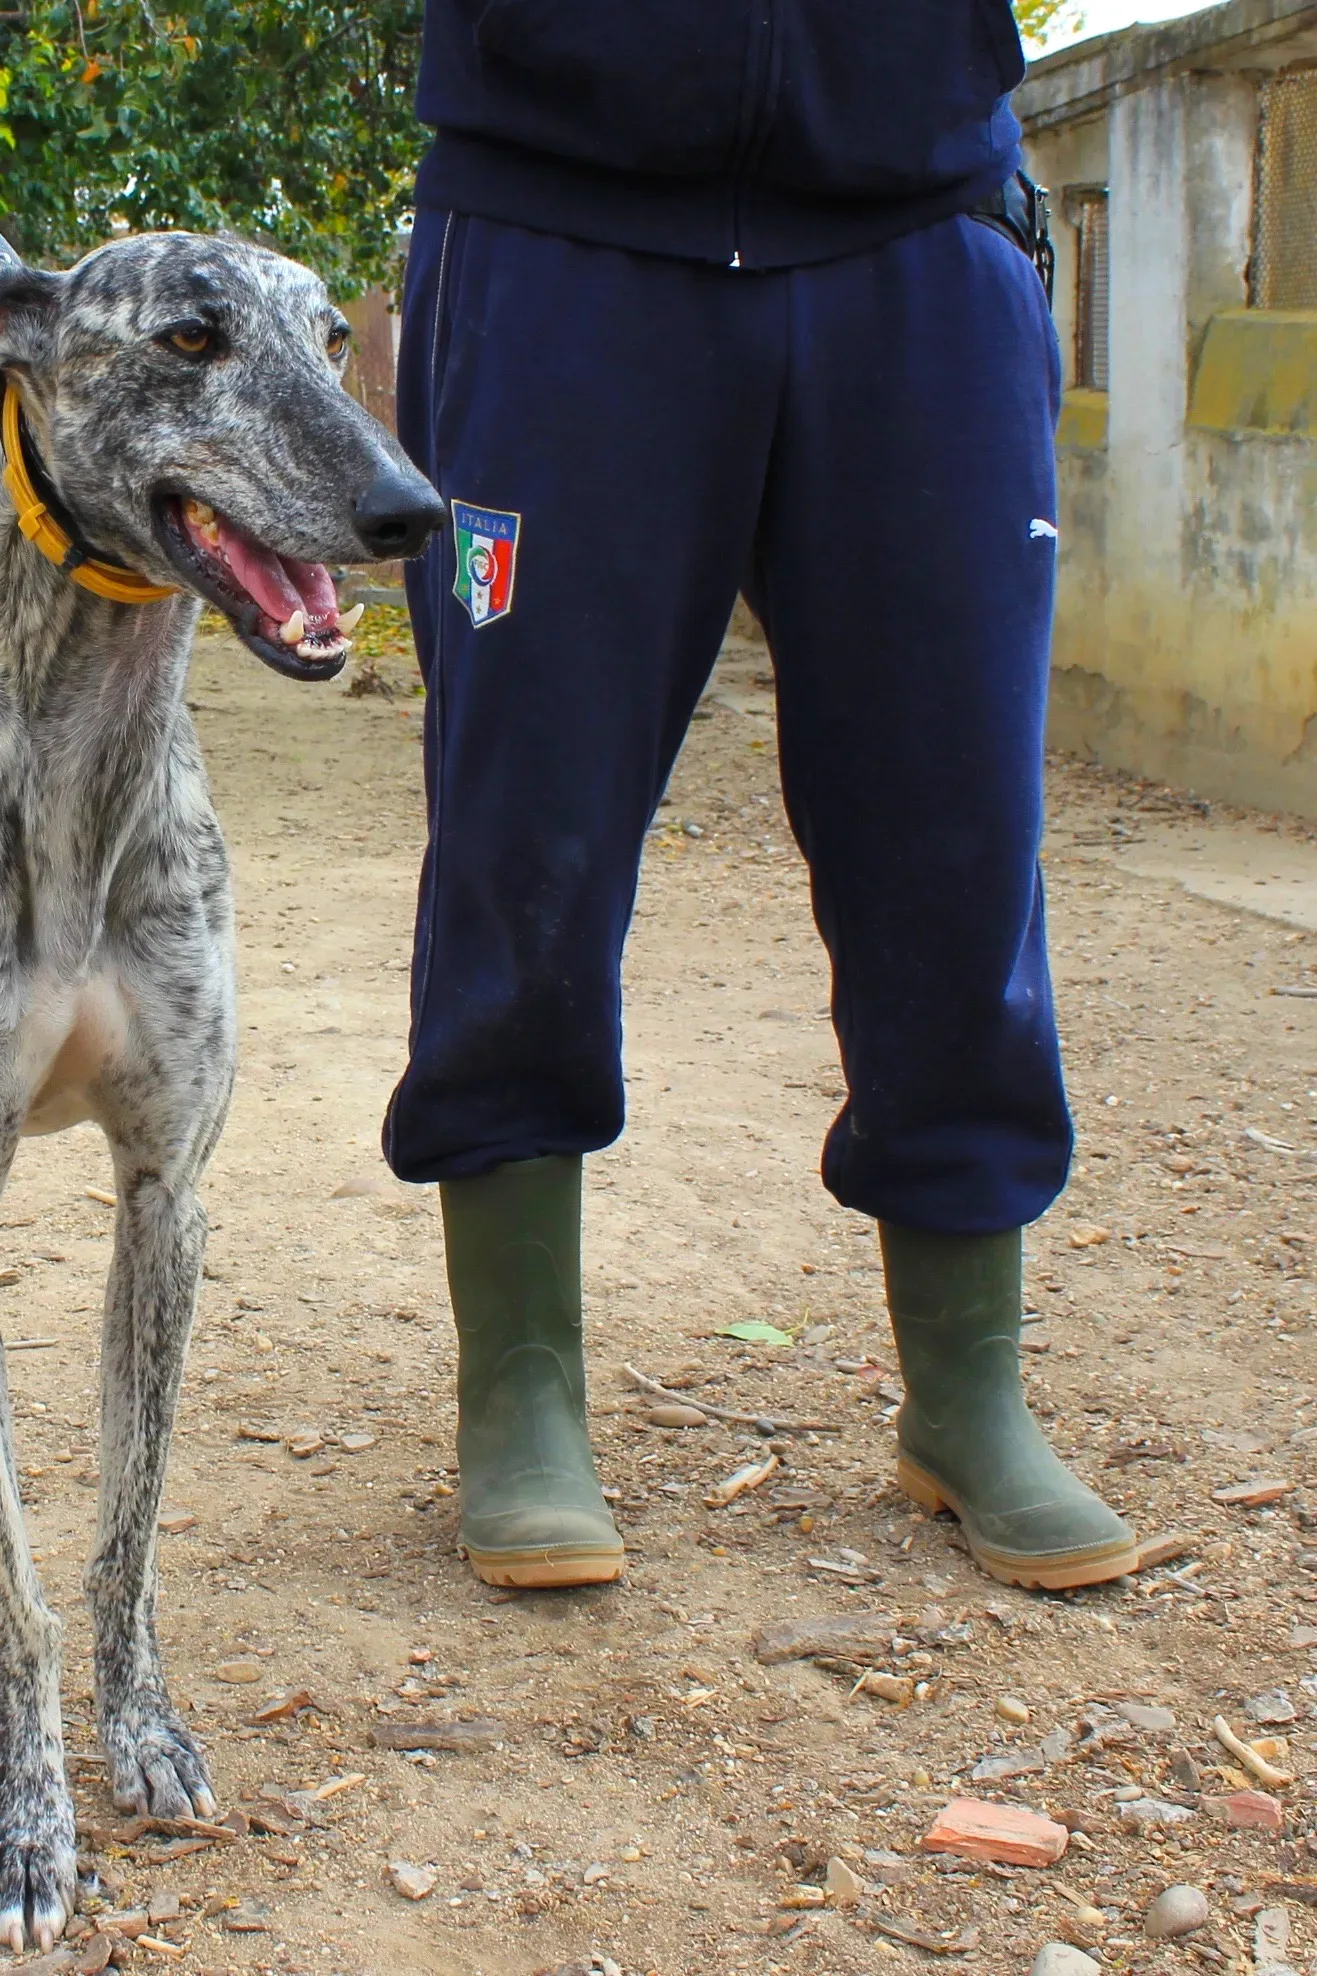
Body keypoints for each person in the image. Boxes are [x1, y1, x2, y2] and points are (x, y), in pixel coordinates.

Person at [391, 4, 1136, 1593]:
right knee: (525, 820)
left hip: (920, 229)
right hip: (552, 228)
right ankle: (520, 1387)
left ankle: (964, 1395)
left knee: (955, 829)